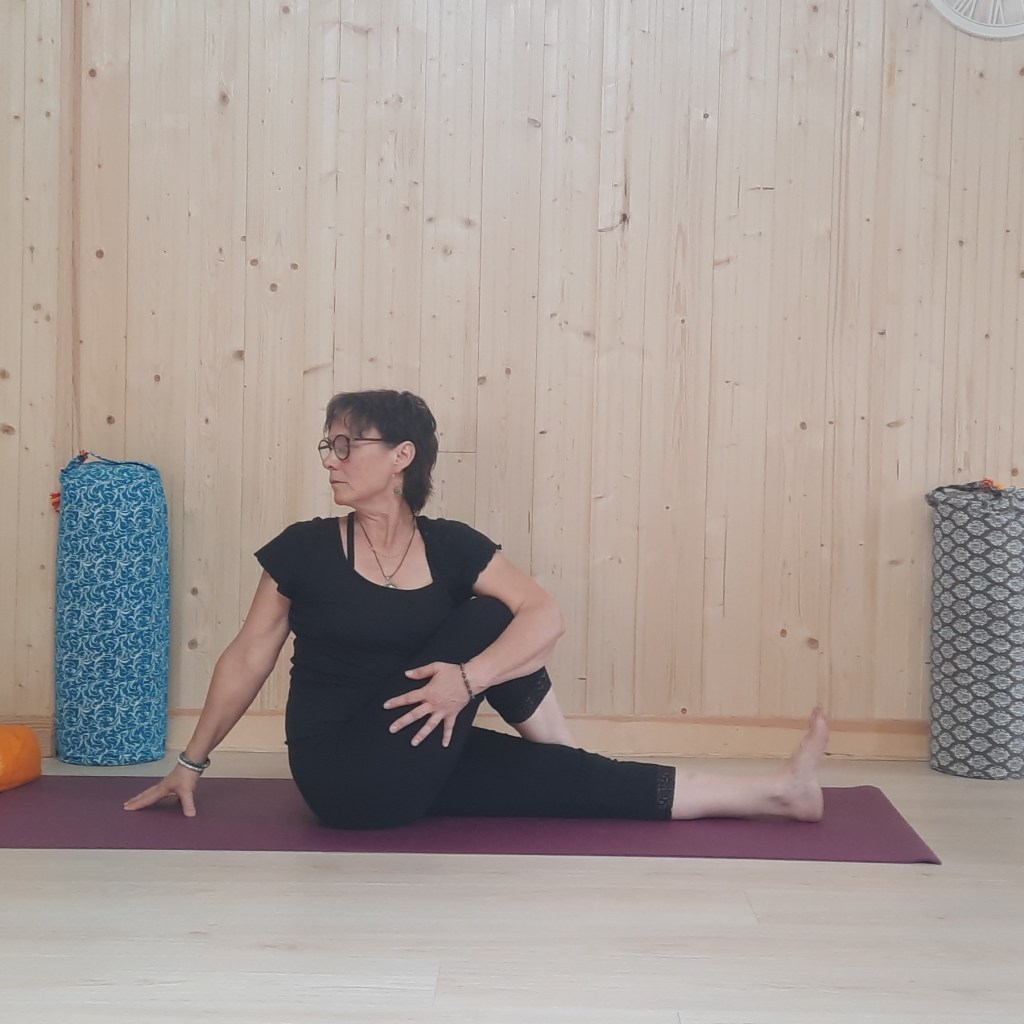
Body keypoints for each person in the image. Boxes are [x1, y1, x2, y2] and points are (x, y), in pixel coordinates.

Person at [125, 389, 829, 828]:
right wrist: (192, 762)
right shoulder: (305, 549)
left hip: (422, 733)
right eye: (328, 445)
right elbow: (249, 655)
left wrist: (466, 682)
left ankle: (780, 794)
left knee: (566, 741)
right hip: (343, 773)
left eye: (348, 444)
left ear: (402, 456)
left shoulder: (453, 545)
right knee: (496, 618)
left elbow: (547, 617)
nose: (331, 459)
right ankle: (562, 756)